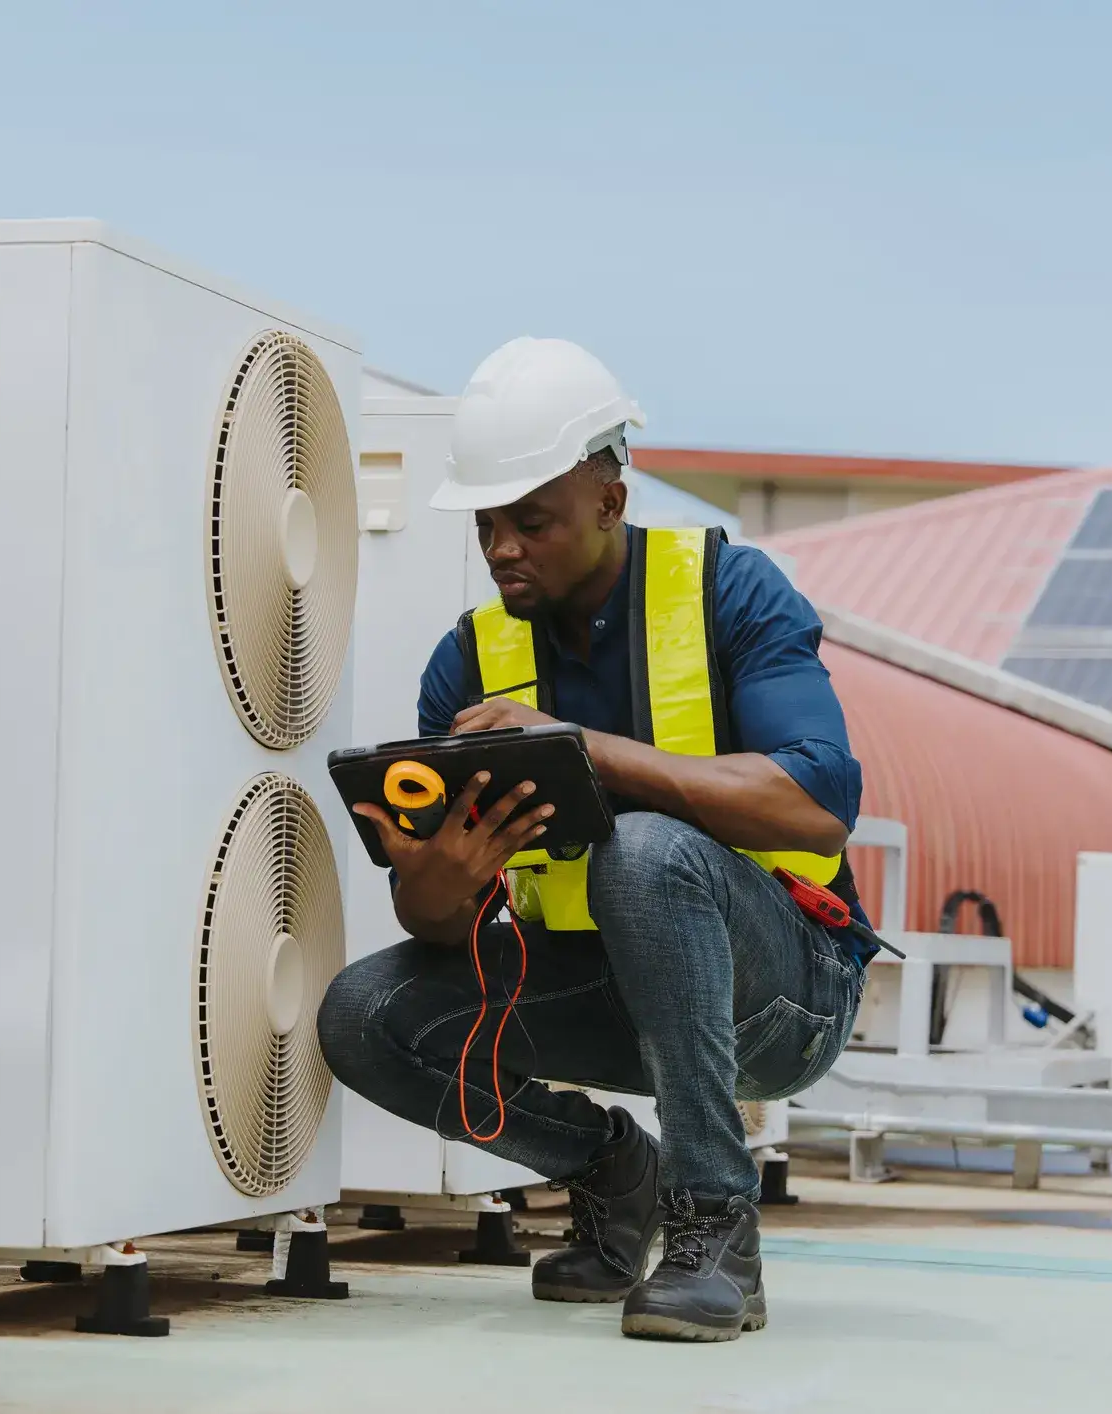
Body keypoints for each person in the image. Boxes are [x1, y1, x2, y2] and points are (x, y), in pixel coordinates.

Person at [316, 337, 875, 1343]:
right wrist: (437, 887)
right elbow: (438, 923)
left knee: (647, 851)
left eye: (532, 522)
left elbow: (820, 801)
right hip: (618, 994)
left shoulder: (732, 593)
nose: (502, 550)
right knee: (363, 1014)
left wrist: (593, 755)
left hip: (788, 995)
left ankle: (714, 1227)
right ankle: (612, 1167)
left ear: (611, 503)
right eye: (488, 526)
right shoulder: (472, 665)